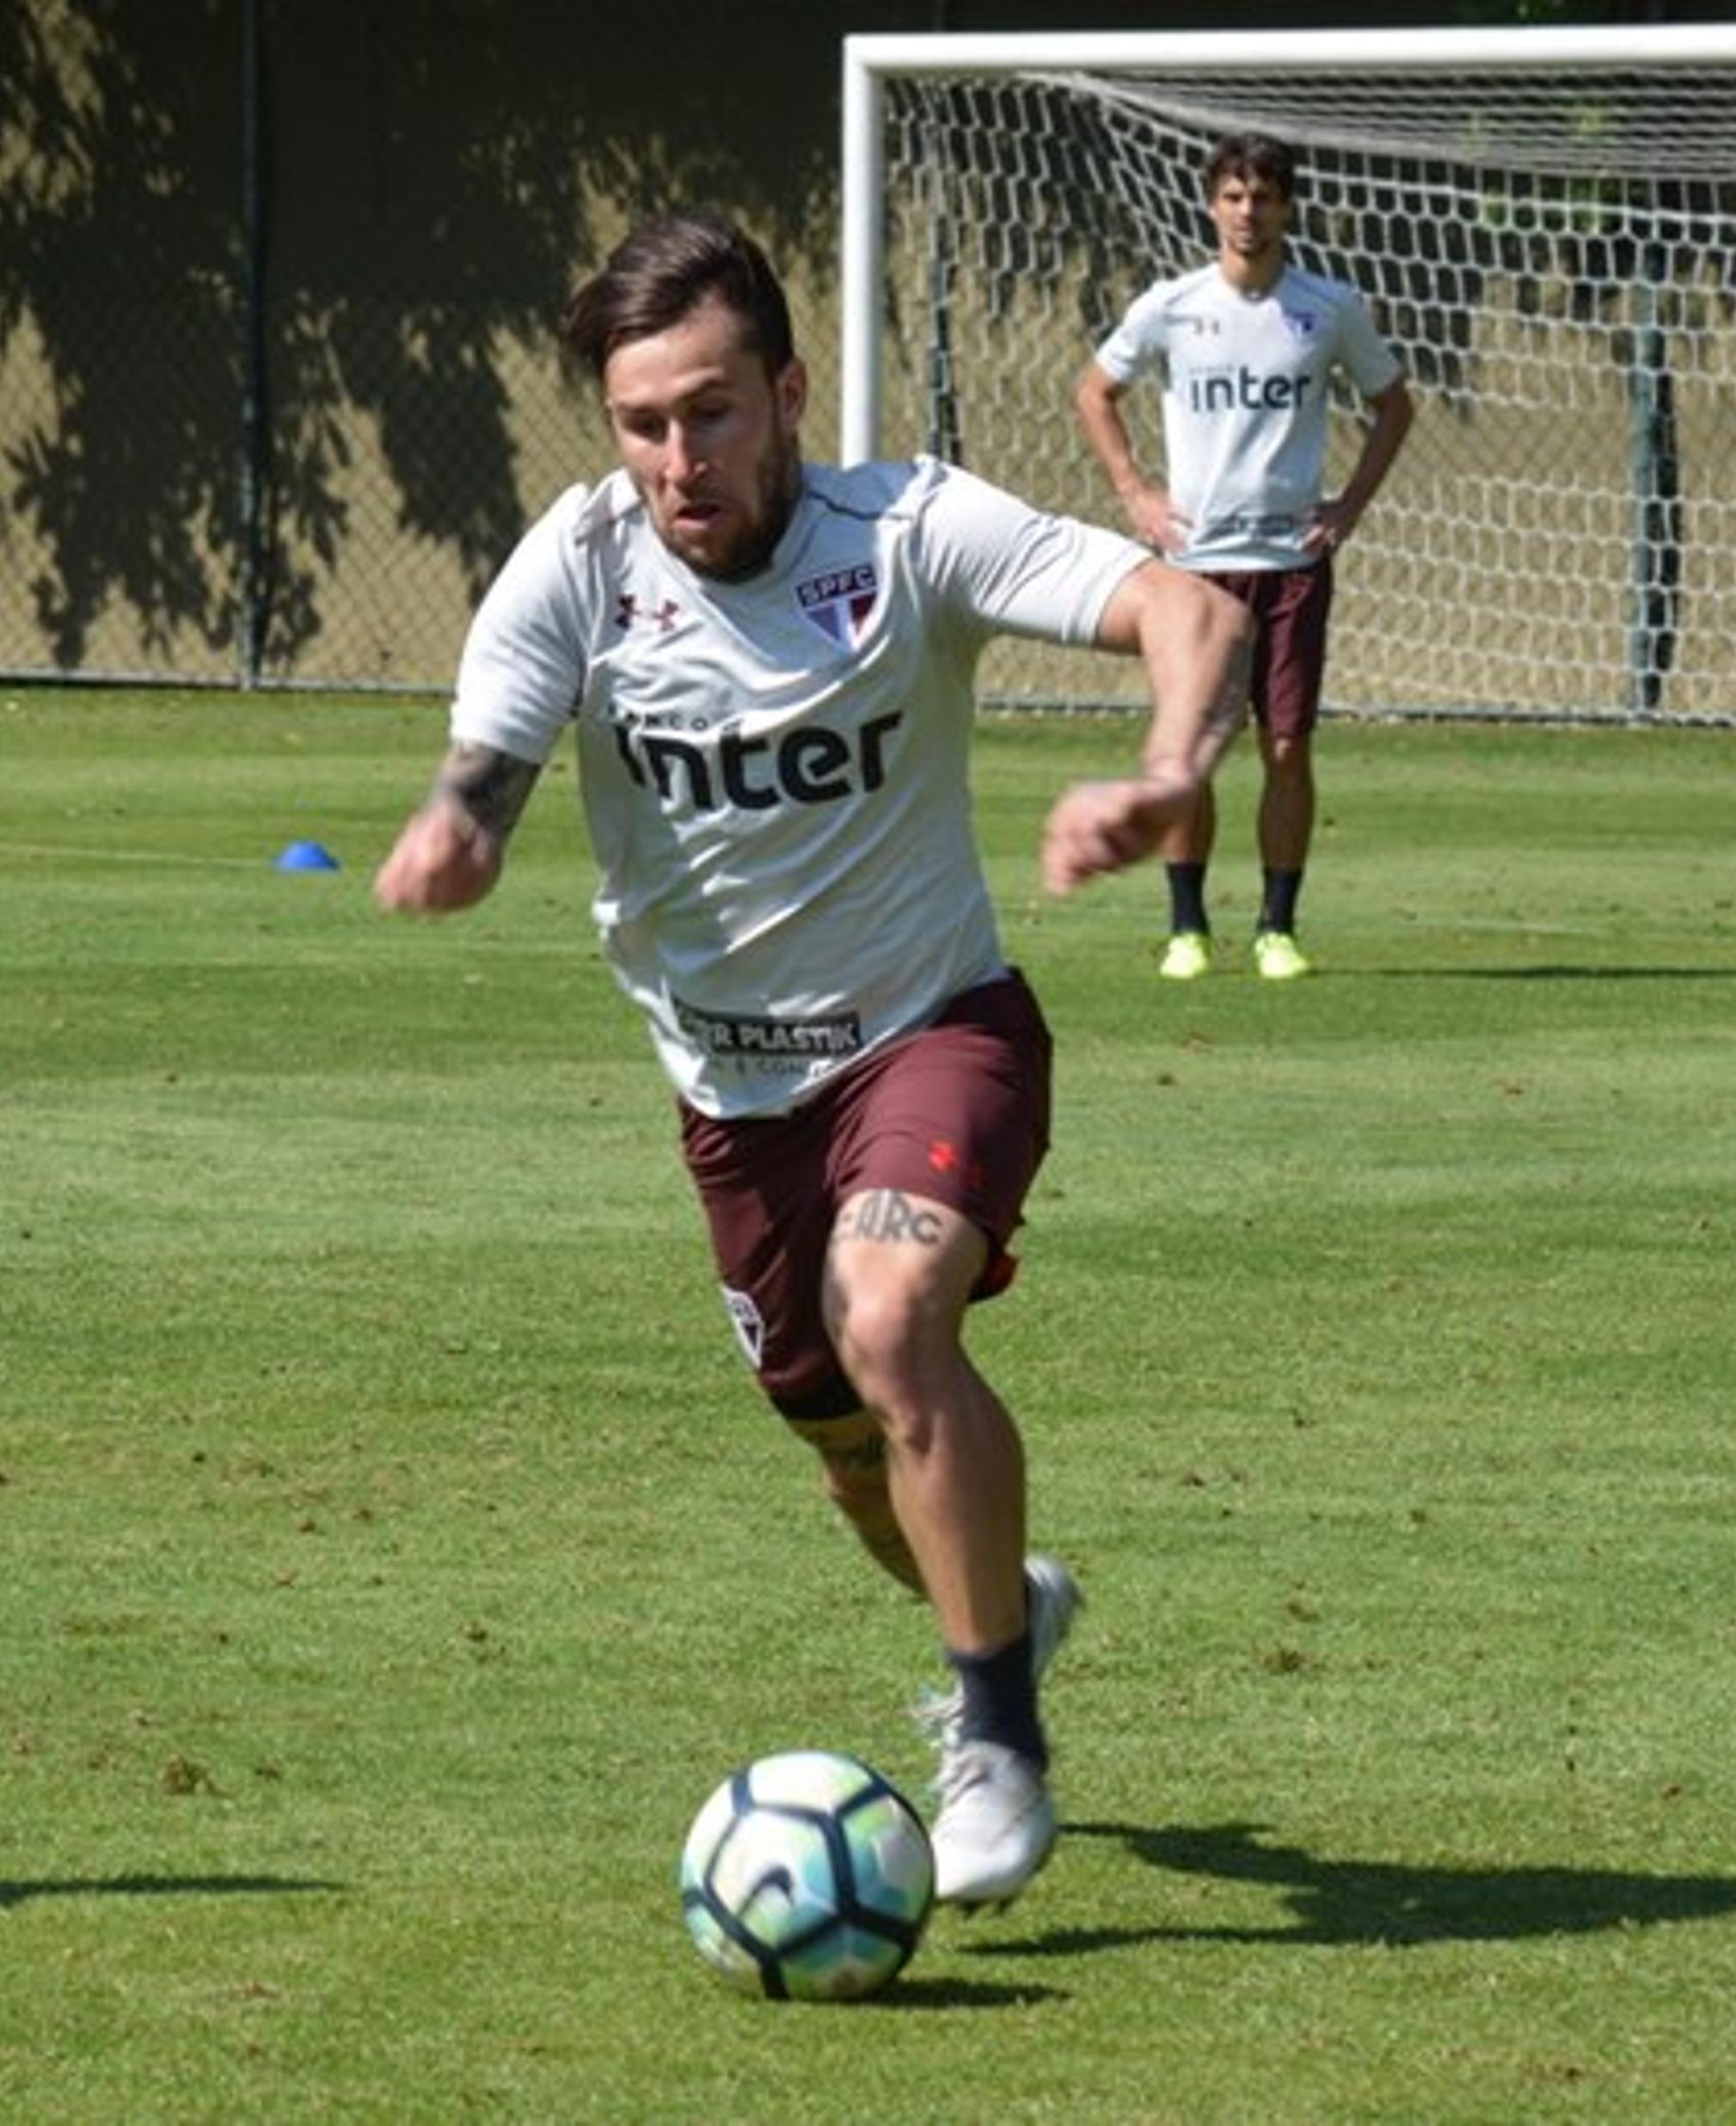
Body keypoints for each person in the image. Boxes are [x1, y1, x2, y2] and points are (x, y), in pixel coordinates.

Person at [375, 213, 1249, 1910]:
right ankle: (1002, 1601)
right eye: (642, 424)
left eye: (711, 412)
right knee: (851, 1450)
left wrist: (1161, 769)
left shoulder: (907, 528)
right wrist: (460, 835)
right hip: (732, 1103)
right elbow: (487, 759)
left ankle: (995, 1736)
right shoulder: (575, 565)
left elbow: (1184, 607)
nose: (678, 459)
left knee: (892, 1310)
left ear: (787, 391)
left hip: (936, 1031)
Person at [1073, 131, 1415, 982]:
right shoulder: (1172, 304)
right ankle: (1187, 929)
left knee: (1287, 749)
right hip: (1196, 571)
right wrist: (1135, 494)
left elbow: (1394, 406)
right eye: (1232, 195)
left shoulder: (1329, 307)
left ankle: (1276, 927)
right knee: (1190, 750)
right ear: (1211, 203)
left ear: (1287, 206)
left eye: (1262, 196)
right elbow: (1095, 390)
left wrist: (1350, 507)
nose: (1247, 212)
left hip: (1291, 564)